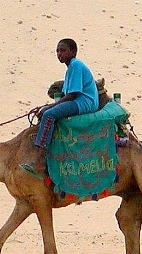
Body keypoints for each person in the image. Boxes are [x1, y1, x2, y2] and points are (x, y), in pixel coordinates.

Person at [20, 38, 99, 176]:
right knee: (48, 111)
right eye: (57, 51)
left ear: (73, 51)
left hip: (84, 103)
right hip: (79, 101)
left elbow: (73, 94)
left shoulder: (76, 66)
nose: (59, 54)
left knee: (49, 114)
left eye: (63, 50)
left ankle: (40, 160)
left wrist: (50, 106)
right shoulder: (71, 68)